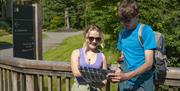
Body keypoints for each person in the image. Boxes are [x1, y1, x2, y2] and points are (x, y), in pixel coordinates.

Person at [107, 0, 156, 91]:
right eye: (122, 20)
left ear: (136, 16)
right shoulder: (121, 33)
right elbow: (122, 58)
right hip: (125, 83)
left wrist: (126, 76)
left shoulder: (145, 31)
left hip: (142, 83)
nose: (125, 23)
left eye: (128, 20)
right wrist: (118, 72)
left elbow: (149, 63)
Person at [71, 25, 107, 91]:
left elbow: (104, 78)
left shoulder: (102, 56)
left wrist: (100, 83)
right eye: (91, 38)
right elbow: (76, 73)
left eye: (97, 39)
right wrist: (96, 77)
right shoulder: (76, 53)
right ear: (86, 37)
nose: (94, 41)